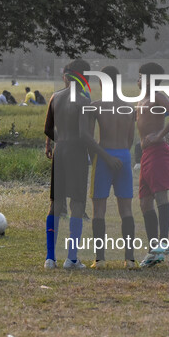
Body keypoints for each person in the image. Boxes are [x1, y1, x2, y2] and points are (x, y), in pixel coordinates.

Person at [43, 59, 122, 270]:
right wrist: (104, 156)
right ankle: (71, 258)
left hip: (60, 151)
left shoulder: (55, 97)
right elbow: (85, 136)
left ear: (66, 76)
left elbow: (48, 129)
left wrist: (53, 144)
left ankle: (50, 258)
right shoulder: (84, 101)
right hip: (77, 154)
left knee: (56, 203)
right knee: (77, 203)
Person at [88, 66, 137, 269]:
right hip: (124, 156)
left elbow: (90, 140)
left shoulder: (96, 106)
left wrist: (104, 157)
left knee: (98, 210)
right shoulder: (129, 107)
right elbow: (130, 140)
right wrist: (121, 155)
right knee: (126, 209)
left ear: (101, 83)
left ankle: (99, 259)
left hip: (104, 156)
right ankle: (130, 259)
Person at [136, 62, 169, 267]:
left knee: (160, 196)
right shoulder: (143, 100)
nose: (137, 80)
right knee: (145, 202)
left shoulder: (157, 96)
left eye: (140, 76)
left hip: (158, 152)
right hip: (146, 155)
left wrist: (160, 136)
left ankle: (163, 242)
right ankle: (153, 250)